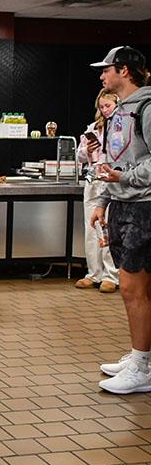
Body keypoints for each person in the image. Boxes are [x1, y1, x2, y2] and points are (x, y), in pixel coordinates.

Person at [88, 46, 151, 394]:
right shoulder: (120, 112)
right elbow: (116, 158)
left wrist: (122, 177)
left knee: (131, 287)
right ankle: (142, 356)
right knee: (137, 289)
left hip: (144, 206)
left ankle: (141, 365)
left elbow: (136, 165)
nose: (102, 76)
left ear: (124, 71)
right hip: (123, 204)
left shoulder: (146, 107)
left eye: (106, 69)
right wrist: (103, 198)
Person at [75, 89, 119, 293]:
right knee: (91, 227)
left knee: (108, 227)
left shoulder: (121, 127)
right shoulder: (93, 128)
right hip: (93, 181)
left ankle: (111, 275)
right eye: (101, 106)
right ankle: (94, 273)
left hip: (111, 181)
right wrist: (88, 150)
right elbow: (80, 156)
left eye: (108, 106)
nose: (104, 110)